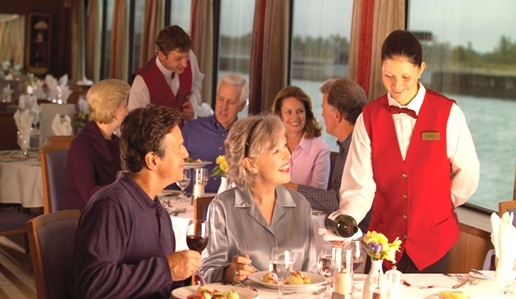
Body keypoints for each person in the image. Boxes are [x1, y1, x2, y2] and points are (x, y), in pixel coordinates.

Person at [337, 30, 480, 273]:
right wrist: (348, 219)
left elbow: (468, 174)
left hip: (433, 243)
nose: (397, 85)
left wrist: (437, 207)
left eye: (405, 76)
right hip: (381, 244)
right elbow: (360, 184)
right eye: (389, 75)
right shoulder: (368, 118)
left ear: (420, 69)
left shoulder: (448, 114)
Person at [73, 106, 201, 298]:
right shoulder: (110, 206)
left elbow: (162, 283)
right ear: (152, 160)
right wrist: (167, 268)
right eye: (178, 147)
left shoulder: (159, 211)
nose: (185, 152)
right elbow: (93, 285)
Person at [200, 114, 317, 283]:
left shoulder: (301, 205)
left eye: (285, 146)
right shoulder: (222, 207)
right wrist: (230, 272)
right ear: (250, 164)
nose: (288, 155)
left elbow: (311, 273)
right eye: (276, 151)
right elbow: (207, 272)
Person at [284, 78, 370, 231]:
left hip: (360, 234)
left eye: (323, 108)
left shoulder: (357, 148)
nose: (322, 114)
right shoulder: (346, 144)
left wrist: (291, 188)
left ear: (337, 116)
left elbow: (340, 201)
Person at [64, 79, 129, 210]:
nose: (127, 111)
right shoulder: (81, 145)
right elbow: (89, 192)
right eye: (124, 106)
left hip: (111, 209)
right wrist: (128, 188)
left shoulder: (117, 143)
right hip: (84, 216)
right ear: (113, 111)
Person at [181, 73, 248, 193]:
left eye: (231, 102)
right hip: (189, 205)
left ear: (242, 106)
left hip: (230, 207)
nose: (223, 107)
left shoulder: (248, 136)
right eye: (221, 99)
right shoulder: (191, 130)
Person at [128, 25, 208, 122]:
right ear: (161, 55)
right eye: (178, 59)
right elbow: (133, 125)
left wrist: (193, 104)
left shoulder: (190, 57)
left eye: (186, 57)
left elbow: (196, 83)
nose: (185, 64)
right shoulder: (141, 83)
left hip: (186, 133)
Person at [272, 85, 330, 189]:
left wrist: (283, 187)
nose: (295, 117)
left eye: (300, 111)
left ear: (307, 113)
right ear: (279, 115)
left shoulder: (320, 149)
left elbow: (318, 196)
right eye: (288, 112)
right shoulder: (269, 144)